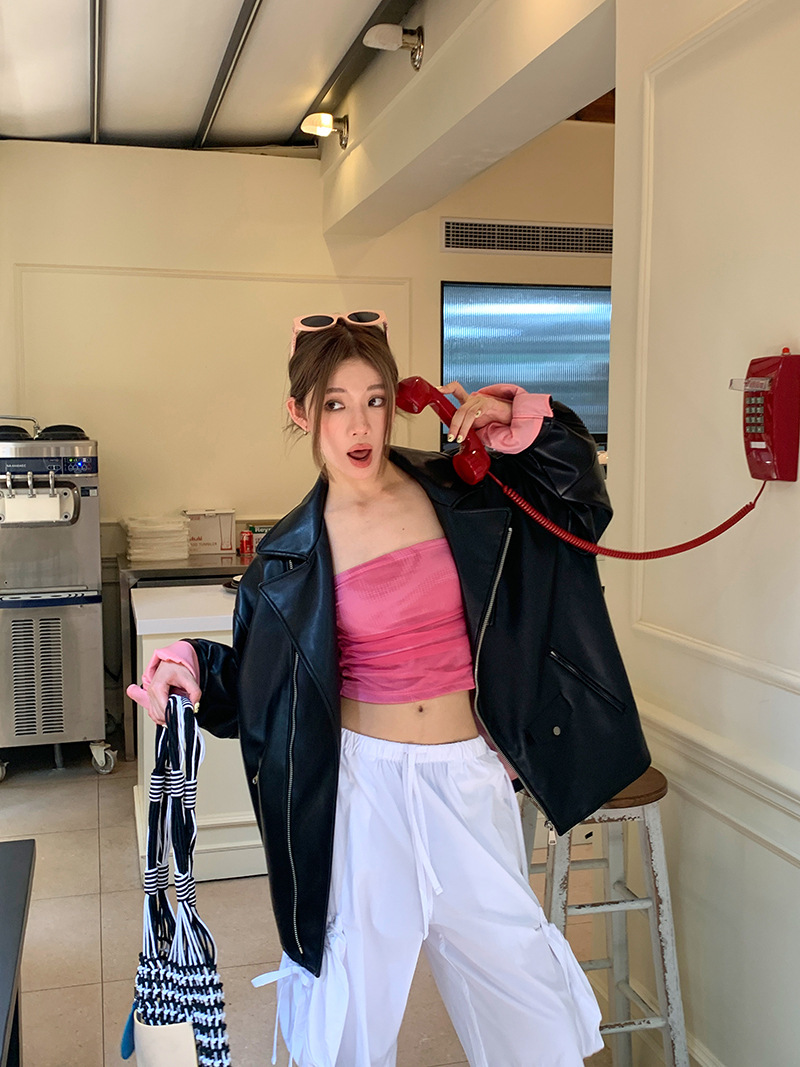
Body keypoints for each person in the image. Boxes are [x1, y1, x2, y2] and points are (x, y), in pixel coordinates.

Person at [128, 310, 650, 1067]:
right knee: (351, 1010)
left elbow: (581, 504)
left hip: (468, 777)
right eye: (335, 403)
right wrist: (192, 664)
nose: (359, 424)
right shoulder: (287, 558)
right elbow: (263, 688)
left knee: (523, 991)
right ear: (300, 412)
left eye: (375, 399)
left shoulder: (465, 492)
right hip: (362, 789)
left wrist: (516, 418)